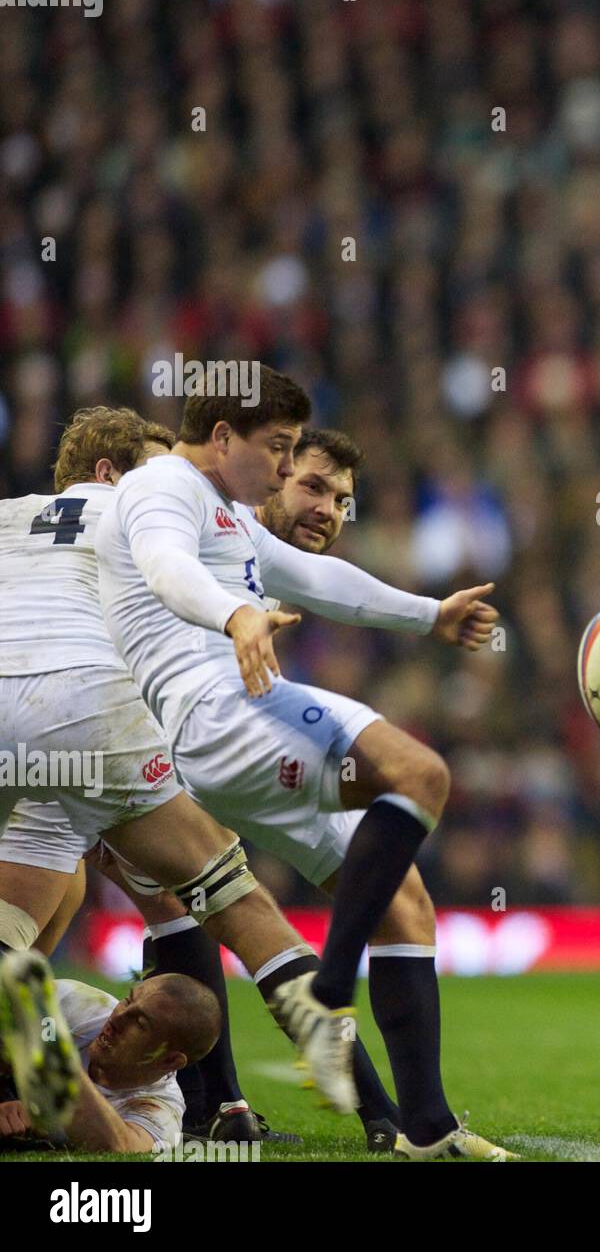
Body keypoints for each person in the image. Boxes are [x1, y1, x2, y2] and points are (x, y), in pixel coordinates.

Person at [95, 368, 515, 1160]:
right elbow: (161, 564)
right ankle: (326, 990)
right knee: (419, 776)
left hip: (230, 729)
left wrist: (431, 614)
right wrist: (238, 613)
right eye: (283, 453)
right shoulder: (162, 488)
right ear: (224, 437)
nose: (288, 473)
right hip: (220, 714)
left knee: (405, 897)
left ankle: (426, 1127)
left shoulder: (226, 518)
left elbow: (326, 583)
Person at [0, 405, 355, 1128]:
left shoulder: (12, 513)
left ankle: (43, 1081)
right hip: (90, 714)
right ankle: (366, 1090)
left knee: (27, 930)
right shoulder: (153, 516)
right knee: (232, 898)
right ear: (114, 475)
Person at [0, 951, 219, 1153]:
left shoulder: (159, 1110)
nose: (117, 1018)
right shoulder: (75, 1004)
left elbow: (118, 1145)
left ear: (170, 1060)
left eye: (140, 1023)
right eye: (128, 1001)